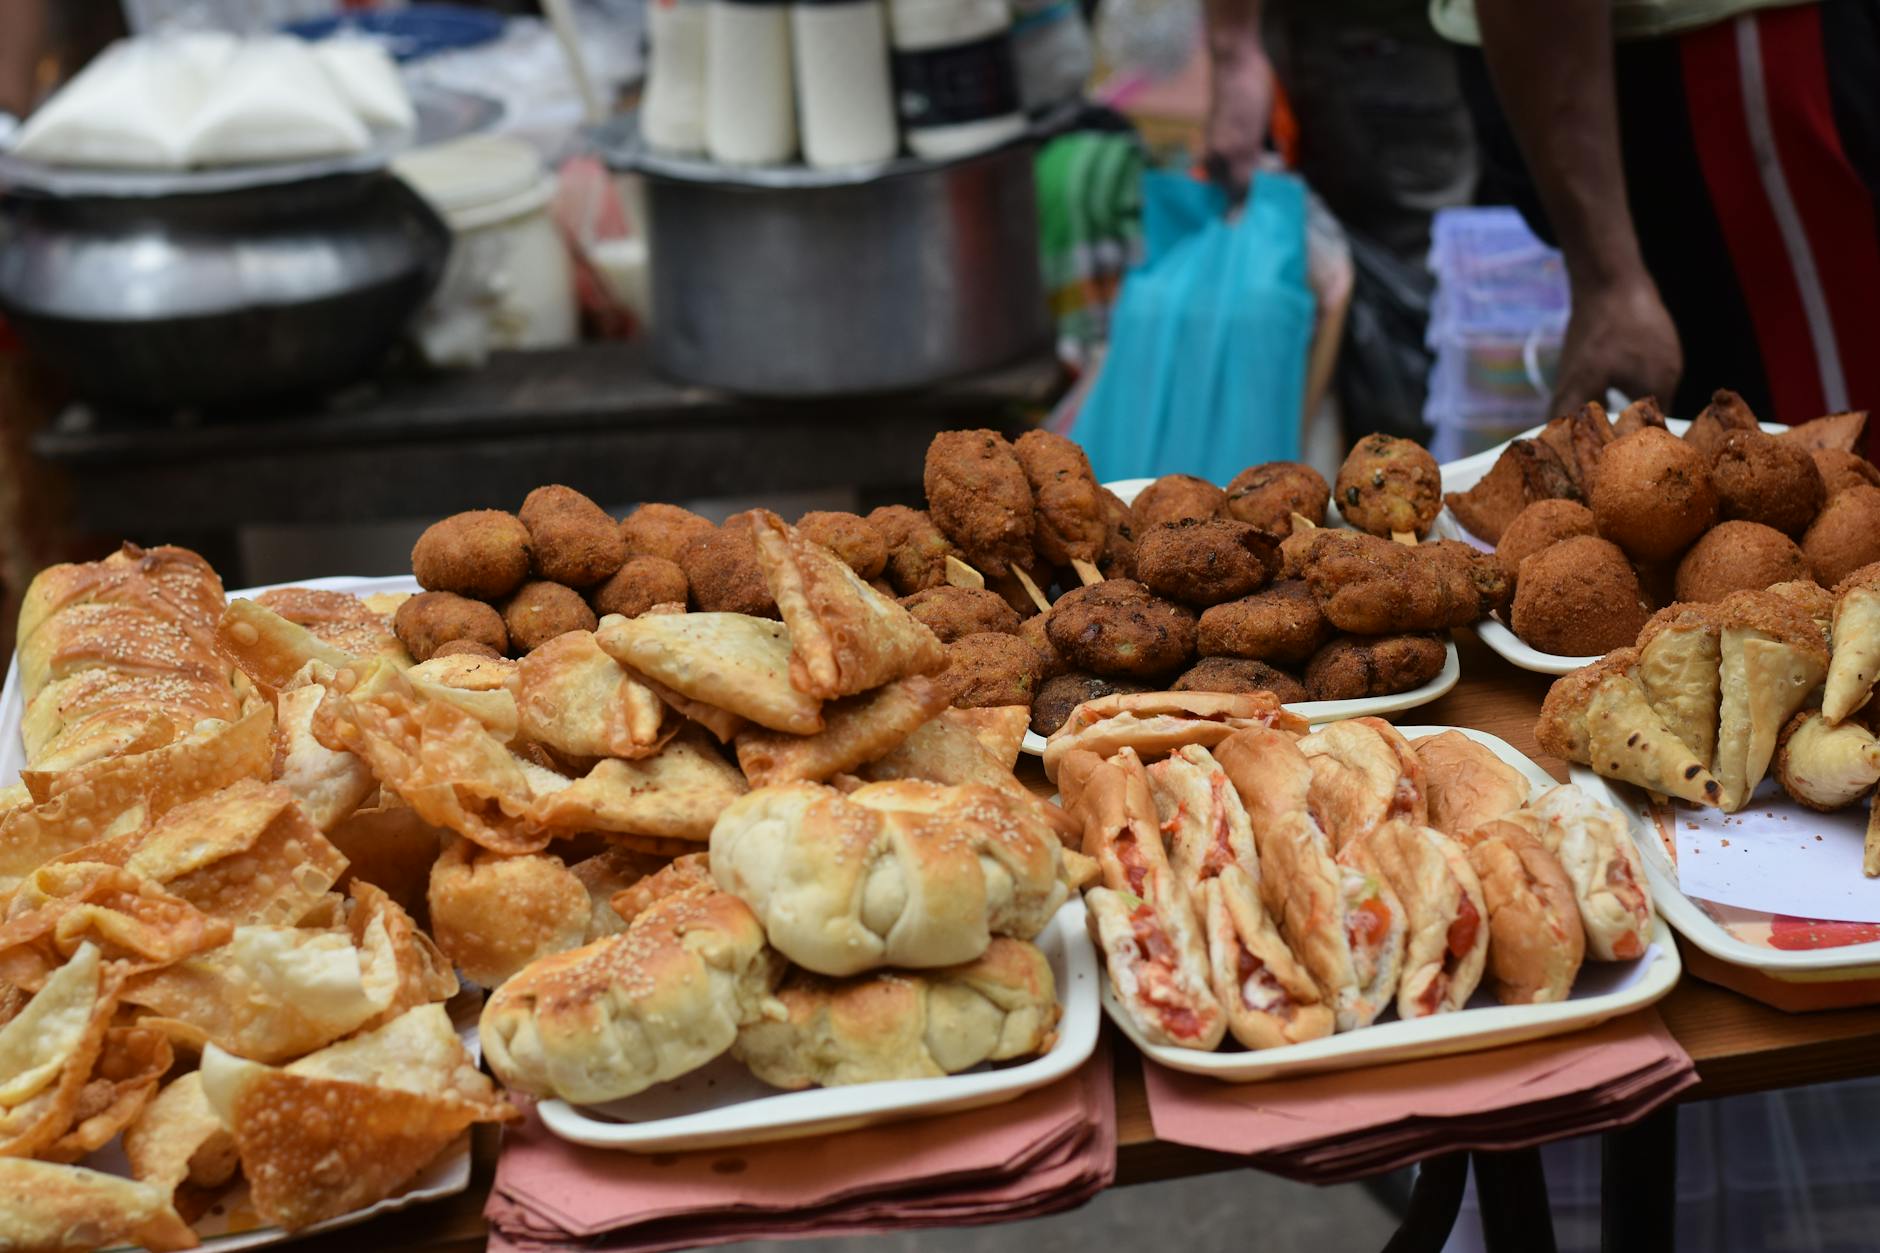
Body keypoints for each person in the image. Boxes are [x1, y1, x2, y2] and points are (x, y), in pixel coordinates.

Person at [1443, 0, 1880, 443]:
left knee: (1729, 437)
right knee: (1833, 450)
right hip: (1707, 58)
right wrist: (1608, 281)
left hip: (1630, 74)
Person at [1203, 0, 1478, 442]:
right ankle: (1384, 459)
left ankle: (1396, 457)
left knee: (1423, 291)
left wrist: (1233, 50)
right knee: (1398, 301)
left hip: (1413, 41)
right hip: (1374, 38)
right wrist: (1234, 50)